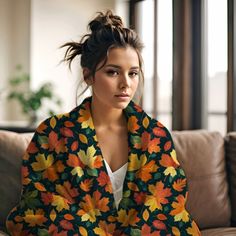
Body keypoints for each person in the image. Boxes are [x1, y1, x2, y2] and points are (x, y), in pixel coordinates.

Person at [6, 10, 200, 236]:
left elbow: (168, 203)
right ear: (88, 76)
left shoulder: (155, 135)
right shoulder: (53, 133)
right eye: (112, 72)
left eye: (133, 73)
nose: (126, 84)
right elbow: (40, 202)